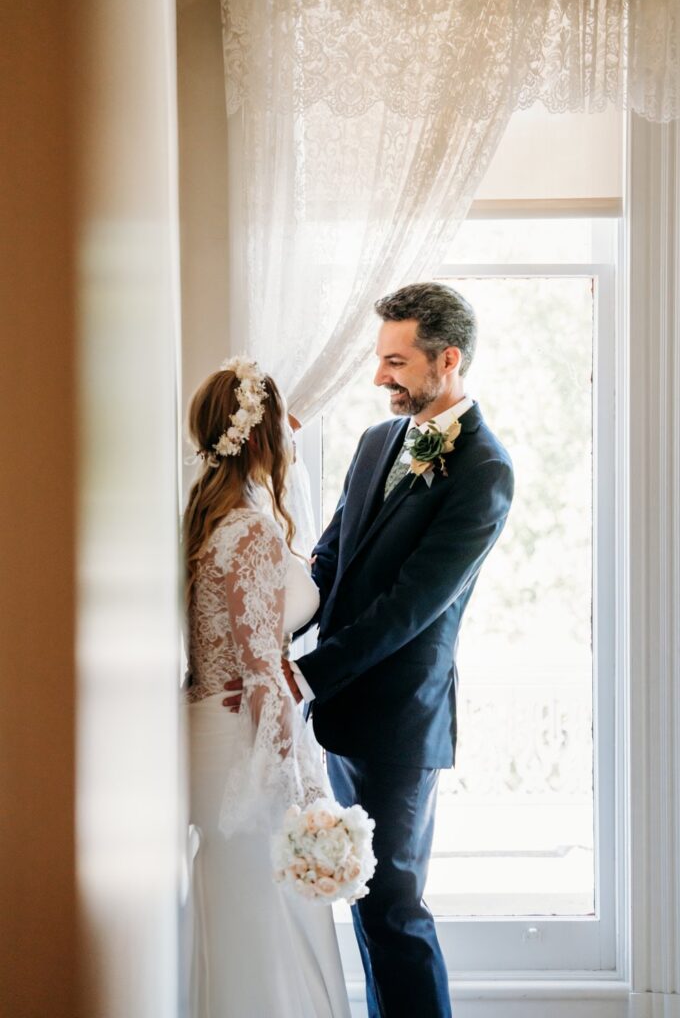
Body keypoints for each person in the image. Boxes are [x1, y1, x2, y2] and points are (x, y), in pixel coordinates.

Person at [283, 282, 515, 1017]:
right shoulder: (375, 442)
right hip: (340, 712)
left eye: (395, 361)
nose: (380, 376)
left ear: (446, 360)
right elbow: (329, 560)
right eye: (380, 359)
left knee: (393, 905)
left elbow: (410, 607)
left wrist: (301, 676)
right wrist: (262, 634)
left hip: (400, 722)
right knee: (359, 896)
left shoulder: (484, 471)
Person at [184, 359, 351, 1018]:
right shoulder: (249, 526)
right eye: (283, 425)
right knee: (264, 906)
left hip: (206, 719)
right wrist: (292, 767)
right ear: (261, 437)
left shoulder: (207, 515)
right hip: (240, 733)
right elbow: (257, 662)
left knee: (234, 903)